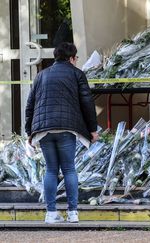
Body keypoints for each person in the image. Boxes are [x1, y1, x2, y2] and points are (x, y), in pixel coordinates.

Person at [25, 42, 98, 224]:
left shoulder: (41, 75)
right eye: (76, 58)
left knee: (50, 170)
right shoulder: (77, 74)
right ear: (72, 58)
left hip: (43, 129)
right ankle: (73, 213)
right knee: (69, 169)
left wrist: (29, 131)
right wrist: (92, 130)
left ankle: (51, 213)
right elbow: (87, 103)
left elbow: (30, 105)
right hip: (67, 127)